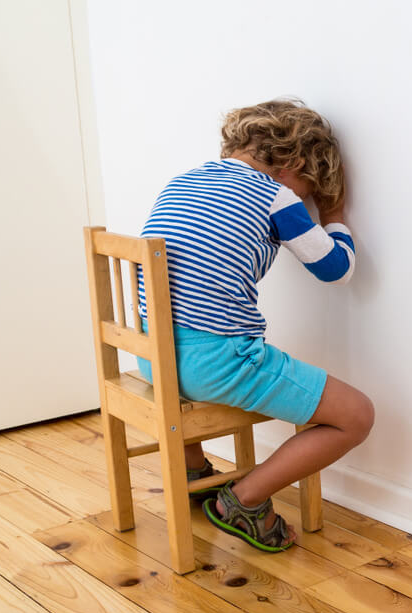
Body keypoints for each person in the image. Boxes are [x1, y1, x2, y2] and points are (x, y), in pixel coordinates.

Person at [135, 99, 374, 552]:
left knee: (196, 338)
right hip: (216, 365)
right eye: (309, 187)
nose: (305, 197)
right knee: (357, 416)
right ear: (296, 165)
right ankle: (241, 501)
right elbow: (336, 270)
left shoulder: (182, 181)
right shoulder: (277, 197)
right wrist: (334, 217)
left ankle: (193, 473)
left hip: (154, 357)